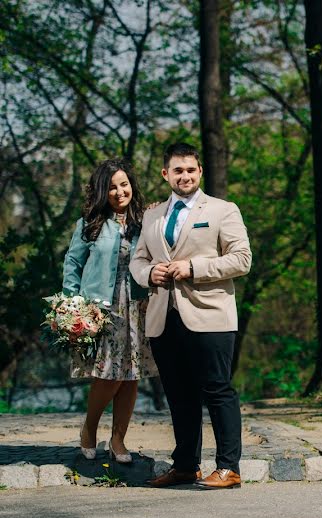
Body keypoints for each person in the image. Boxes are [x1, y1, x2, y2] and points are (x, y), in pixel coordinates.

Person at [130, 142, 252, 489]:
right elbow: (137, 260)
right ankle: (185, 465)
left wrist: (193, 267)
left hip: (210, 314)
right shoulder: (152, 215)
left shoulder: (223, 210)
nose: (185, 176)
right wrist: (148, 273)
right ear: (165, 174)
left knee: (217, 390)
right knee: (179, 394)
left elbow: (242, 259)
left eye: (191, 170)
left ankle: (229, 467)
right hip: (163, 316)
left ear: (201, 172)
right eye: (178, 170)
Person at [63, 158, 158, 464]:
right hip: (101, 309)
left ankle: (118, 440)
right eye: (113, 187)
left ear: (132, 185)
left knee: (131, 376)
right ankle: (89, 428)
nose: (120, 192)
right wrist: (72, 304)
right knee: (108, 376)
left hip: (138, 307)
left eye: (124, 184)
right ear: (103, 191)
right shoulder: (89, 222)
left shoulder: (145, 222)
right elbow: (72, 264)